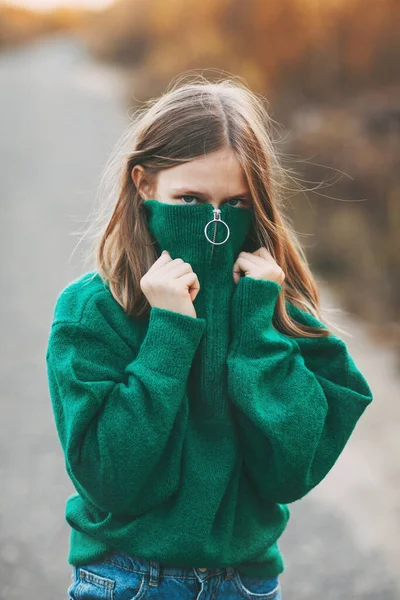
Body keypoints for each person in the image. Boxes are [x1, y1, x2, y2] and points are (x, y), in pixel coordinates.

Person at [45, 77, 374, 599]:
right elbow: (110, 478)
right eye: (190, 199)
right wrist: (170, 333)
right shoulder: (95, 308)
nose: (211, 224)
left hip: (247, 582)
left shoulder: (271, 302)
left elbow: (291, 471)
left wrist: (256, 332)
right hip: (128, 579)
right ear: (144, 184)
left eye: (235, 204)